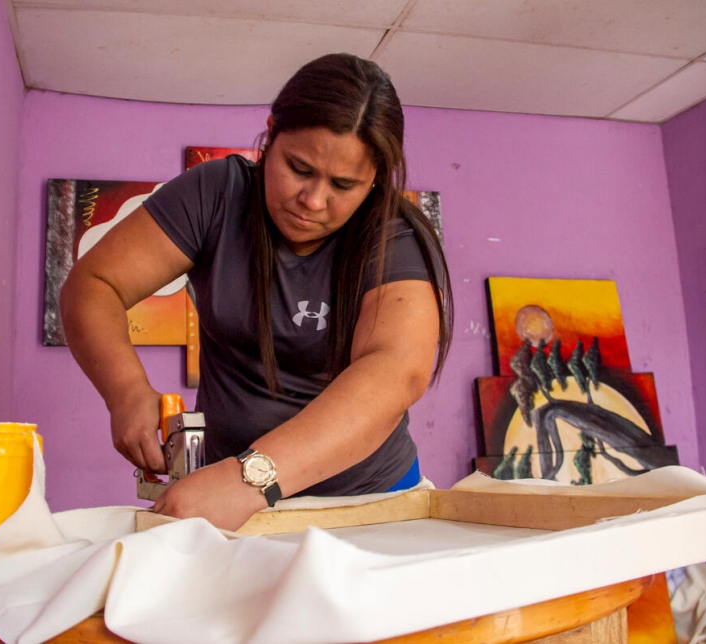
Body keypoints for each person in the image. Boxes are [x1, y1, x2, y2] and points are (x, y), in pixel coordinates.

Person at [60, 53, 454, 532]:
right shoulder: (215, 195)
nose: (312, 201)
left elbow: (395, 371)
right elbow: (93, 285)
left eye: (344, 185)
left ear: (375, 178)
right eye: (299, 167)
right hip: (230, 498)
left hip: (369, 504)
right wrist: (124, 392)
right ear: (270, 134)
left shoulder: (394, 238)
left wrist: (250, 479)